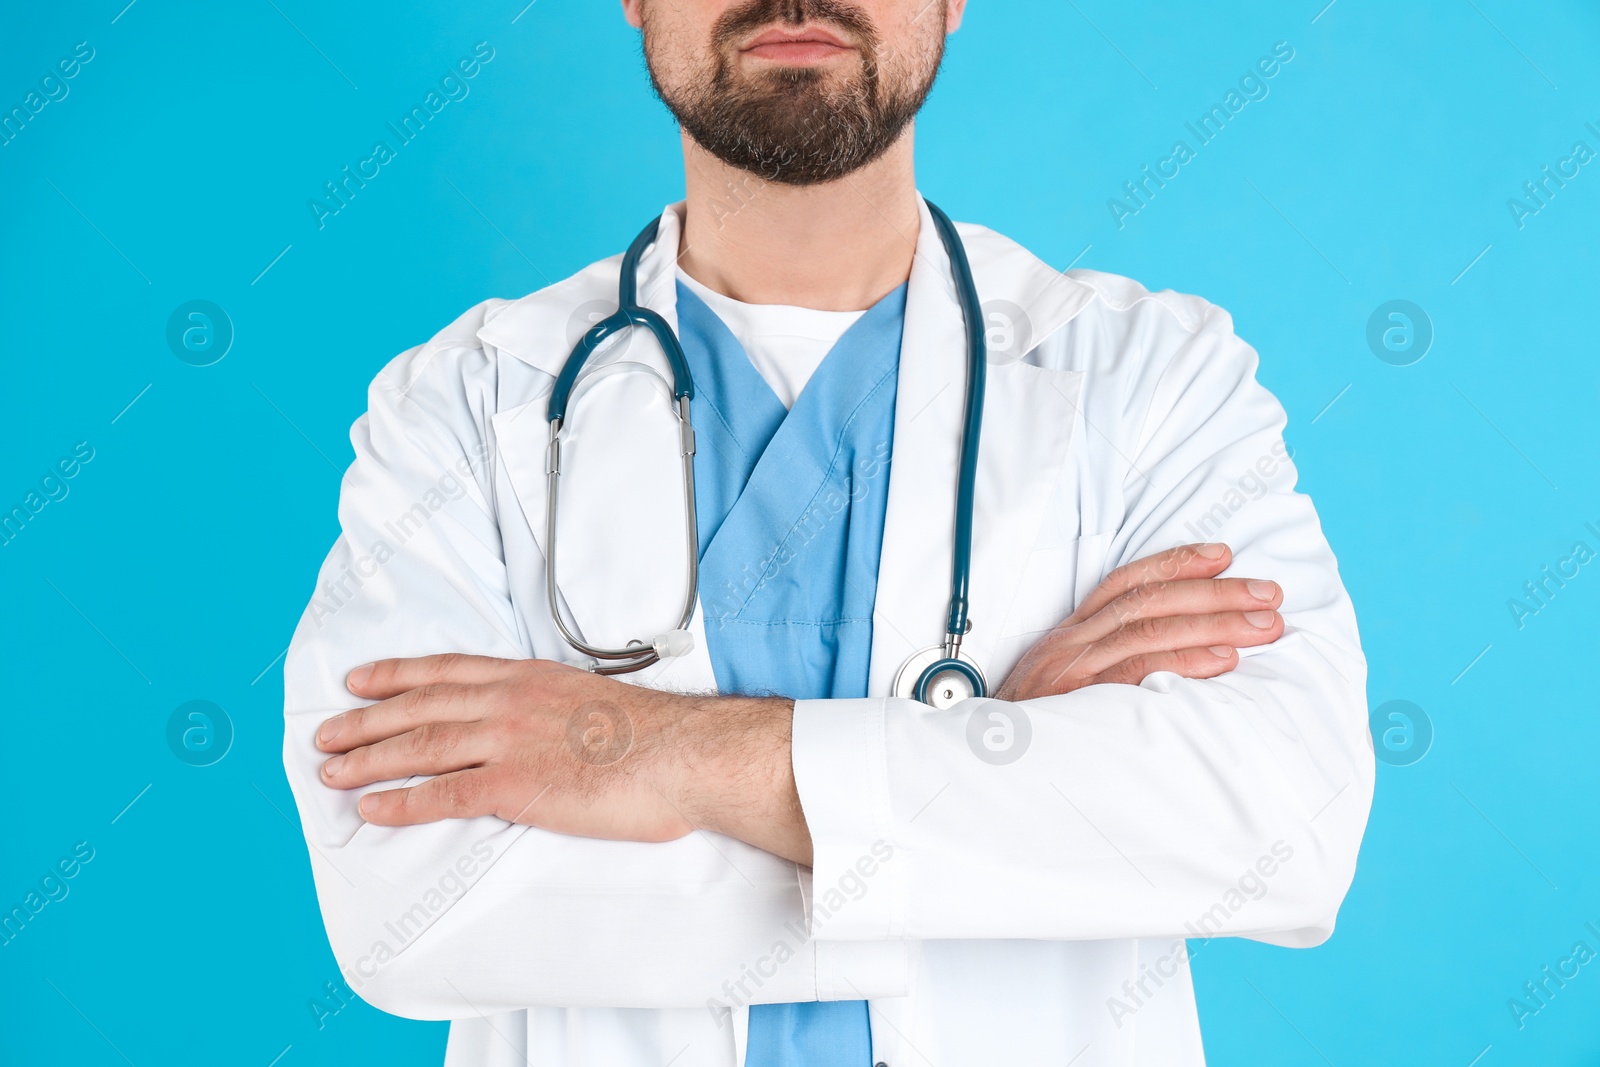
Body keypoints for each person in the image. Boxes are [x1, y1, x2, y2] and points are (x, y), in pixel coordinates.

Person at [280, 1, 1374, 1064]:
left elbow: (1279, 821)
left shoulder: (1151, 380)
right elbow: (402, 904)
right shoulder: (464, 403)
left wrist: (658, 754)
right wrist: (974, 776)